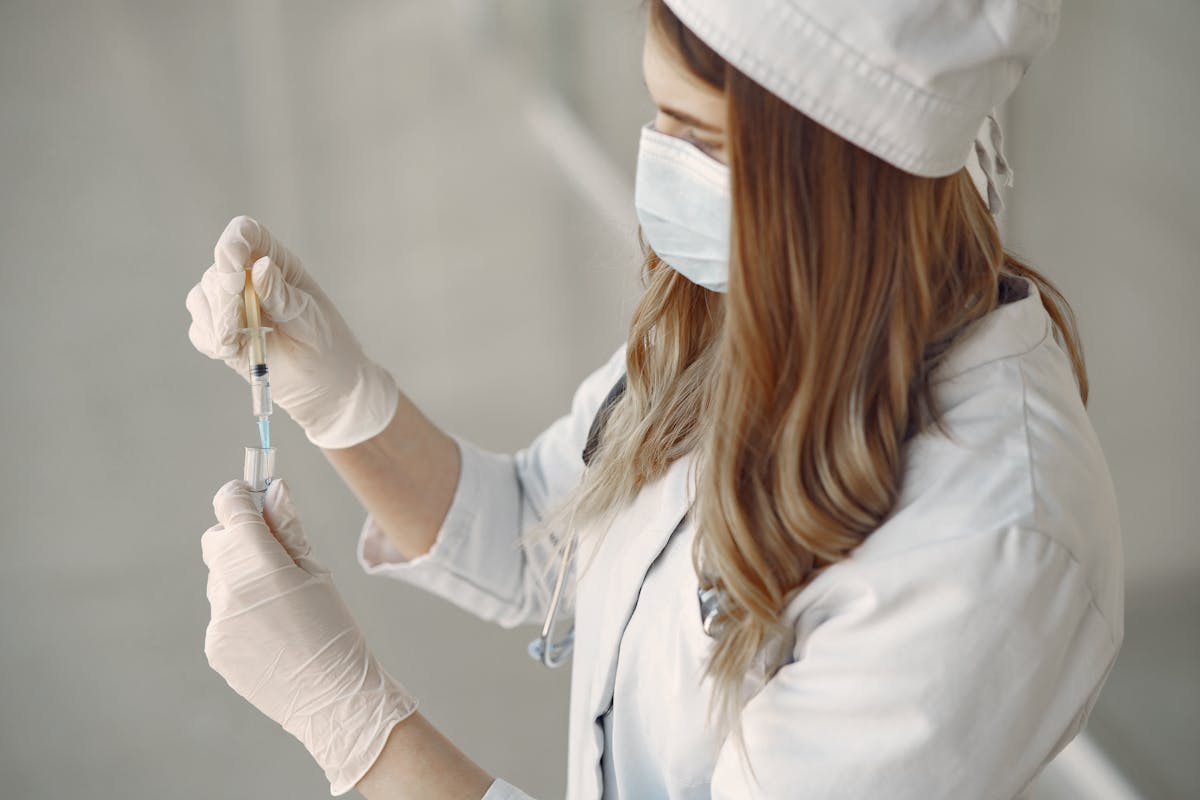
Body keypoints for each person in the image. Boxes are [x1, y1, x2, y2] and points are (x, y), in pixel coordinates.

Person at [184, 1, 1124, 798]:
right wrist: (339, 397)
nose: (659, 170)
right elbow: (539, 536)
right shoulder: (754, 310)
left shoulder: (991, 544)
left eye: (700, 139)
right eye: (657, 116)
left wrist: (356, 727)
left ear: (833, 172)